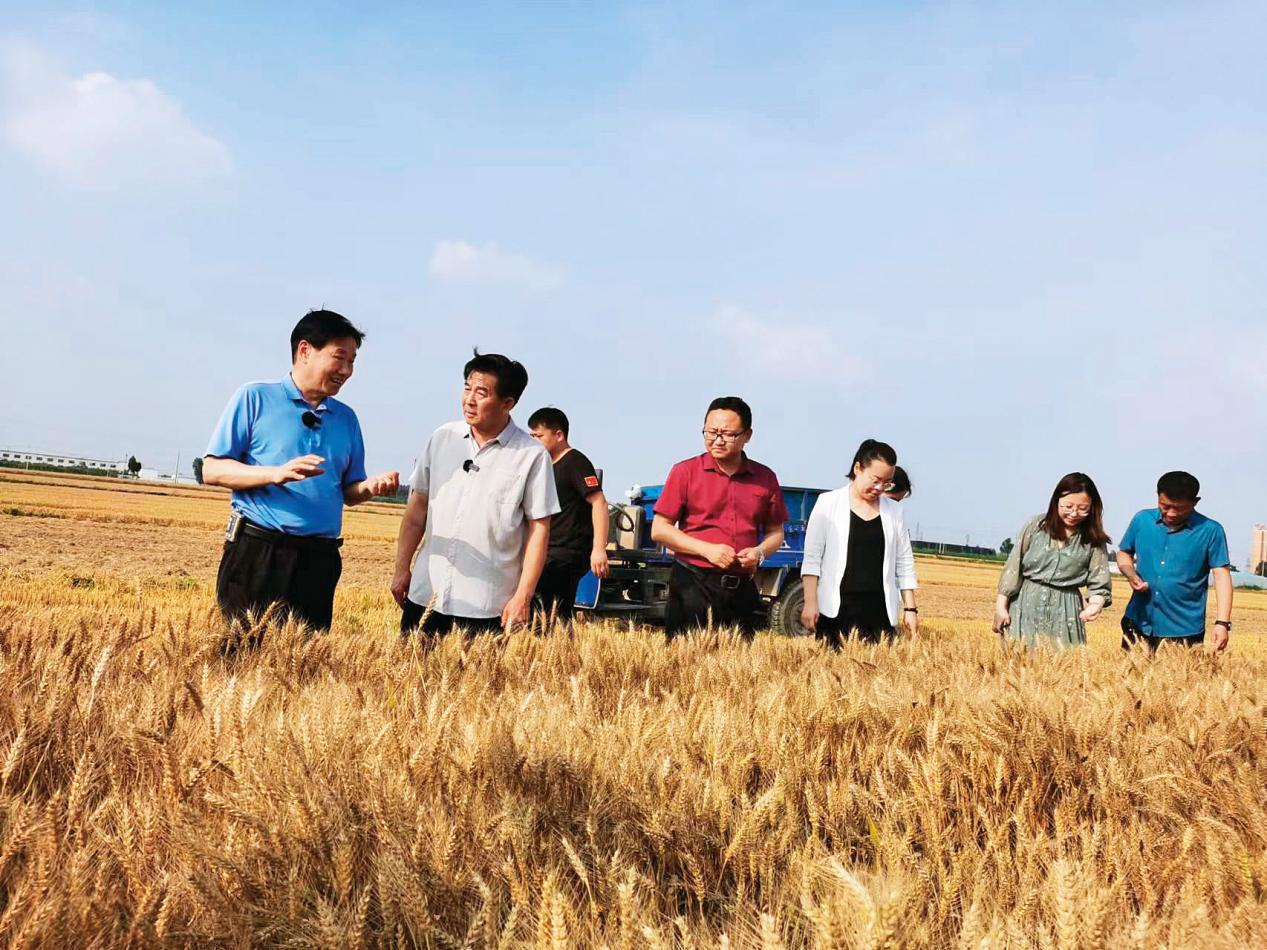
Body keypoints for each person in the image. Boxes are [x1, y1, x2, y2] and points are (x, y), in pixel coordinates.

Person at [203, 309, 400, 635]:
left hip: (319, 560)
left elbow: (349, 492)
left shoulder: (346, 419)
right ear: (305, 350)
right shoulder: (255, 398)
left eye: (352, 362)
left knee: (306, 659)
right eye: (340, 358)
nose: (347, 371)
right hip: (258, 551)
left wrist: (369, 488)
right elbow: (212, 469)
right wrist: (274, 474)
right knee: (242, 652)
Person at [391, 351, 559, 640]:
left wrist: (523, 596)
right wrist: (401, 568)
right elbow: (417, 509)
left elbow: (539, 531)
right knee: (411, 667)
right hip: (426, 593)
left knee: (479, 670)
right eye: (467, 388)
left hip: (487, 604)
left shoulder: (531, 456)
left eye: (481, 393)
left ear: (508, 403)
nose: (469, 399)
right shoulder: (442, 438)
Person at [650, 397, 788, 639]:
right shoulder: (685, 472)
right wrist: (707, 550)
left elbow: (776, 532)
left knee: (740, 660)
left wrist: (759, 553)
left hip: (742, 589)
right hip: (692, 584)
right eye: (711, 432)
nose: (717, 440)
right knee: (686, 658)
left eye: (728, 434)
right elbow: (660, 529)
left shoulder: (765, 478)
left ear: (747, 435)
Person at [800, 439, 918, 646]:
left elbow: (904, 562)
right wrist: (810, 602)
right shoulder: (828, 503)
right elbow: (812, 559)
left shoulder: (895, 511)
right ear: (857, 468)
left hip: (879, 611)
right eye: (876, 480)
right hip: (836, 610)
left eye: (887, 483)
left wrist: (910, 609)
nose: (880, 488)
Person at [992, 472, 1112, 649]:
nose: (1074, 513)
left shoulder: (1094, 539)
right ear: (1056, 501)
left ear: (1093, 507)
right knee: (1019, 658)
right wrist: (1001, 607)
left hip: (1067, 610)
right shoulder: (1035, 526)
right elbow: (1013, 568)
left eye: (1083, 508)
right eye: (1068, 506)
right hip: (1025, 605)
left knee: (1066, 662)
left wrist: (1095, 605)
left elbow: (1099, 582)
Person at [1117, 471, 1233, 653]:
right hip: (1138, 620)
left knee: (1180, 673)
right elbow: (1124, 553)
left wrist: (1222, 623)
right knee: (1130, 671)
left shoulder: (1211, 531)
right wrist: (1131, 574)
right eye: (1165, 506)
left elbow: (1221, 576)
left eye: (1179, 508)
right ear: (1157, 495)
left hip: (1184, 629)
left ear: (1195, 502)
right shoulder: (1142, 520)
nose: (1171, 513)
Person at [527, 407, 610, 624]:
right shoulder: (544, 466)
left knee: (551, 612)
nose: (534, 441)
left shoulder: (575, 462)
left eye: (539, 436)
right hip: (547, 549)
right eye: (531, 436)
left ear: (559, 435)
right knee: (542, 614)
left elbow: (599, 502)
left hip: (566, 553)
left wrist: (599, 549)